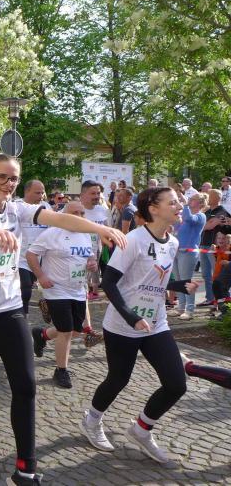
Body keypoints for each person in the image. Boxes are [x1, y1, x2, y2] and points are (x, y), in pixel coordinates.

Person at [0, 154, 125, 486]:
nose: (8, 184)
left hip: (7, 308)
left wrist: (100, 228)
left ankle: (25, 470)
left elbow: (60, 219)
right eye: (2, 177)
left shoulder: (19, 209)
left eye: (14, 179)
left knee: (25, 386)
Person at [80, 187, 198, 465]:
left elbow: (154, 279)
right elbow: (109, 282)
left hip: (156, 323)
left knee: (176, 384)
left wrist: (179, 285)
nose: (179, 206)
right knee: (118, 379)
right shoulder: (133, 240)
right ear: (153, 209)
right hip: (123, 324)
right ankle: (92, 419)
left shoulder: (173, 242)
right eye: (173, 202)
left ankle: (141, 430)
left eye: (179, 201)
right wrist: (131, 316)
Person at [28, 201, 97, 389]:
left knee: (76, 330)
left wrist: (92, 263)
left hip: (78, 290)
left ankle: (42, 335)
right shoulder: (52, 234)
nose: (79, 216)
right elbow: (31, 254)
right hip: (56, 289)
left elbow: (90, 256)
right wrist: (41, 276)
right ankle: (61, 370)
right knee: (66, 331)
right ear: (64, 214)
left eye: (82, 213)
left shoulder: (85, 234)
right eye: (75, 213)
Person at [167, 193, 206, 320]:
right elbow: (175, 227)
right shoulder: (185, 214)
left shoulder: (200, 216)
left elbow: (190, 219)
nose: (190, 200)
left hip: (188, 252)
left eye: (193, 199)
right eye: (190, 199)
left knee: (186, 281)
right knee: (178, 281)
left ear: (200, 203)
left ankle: (189, 310)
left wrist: (185, 204)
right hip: (177, 251)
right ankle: (180, 308)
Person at [18, 180, 49, 314]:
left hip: (39, 258)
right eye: (37, 193)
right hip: (21, 258)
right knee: (25, 288)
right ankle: (22, 316)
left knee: (30, 287)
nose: (41, 196)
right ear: (27, 191)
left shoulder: (46, 207)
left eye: (42, 193)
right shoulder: (17, 206)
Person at [197, 189, 231, 307]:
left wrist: (203, 225)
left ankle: (220, 302)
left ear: (217, 198)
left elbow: (209, 226)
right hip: (203, 244)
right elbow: (202, 225)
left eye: (210, 195)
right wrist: (204, 224)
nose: (208, 197)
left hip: (215, 248)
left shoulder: (222, 212)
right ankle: (210, 299)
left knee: (218, 275)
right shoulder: (207, 211)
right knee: (206, 275)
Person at [81, 180, 109, 300]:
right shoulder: (75, 210)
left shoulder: (102, 210)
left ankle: (91, 291)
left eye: (98, 193)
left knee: (94, 272)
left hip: (97, 250)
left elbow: (107, 229)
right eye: (93, 193)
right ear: (83, 195)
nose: (97, 196)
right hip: (78, 251)